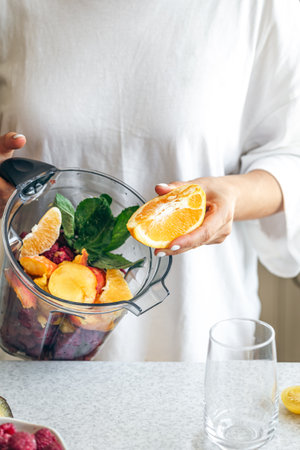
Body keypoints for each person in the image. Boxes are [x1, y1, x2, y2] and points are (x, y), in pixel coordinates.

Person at [0, 0, 299, 361]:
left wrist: (232, 195)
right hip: (28, 326)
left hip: (193, 334)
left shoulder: (256, 7)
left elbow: (288, 155)